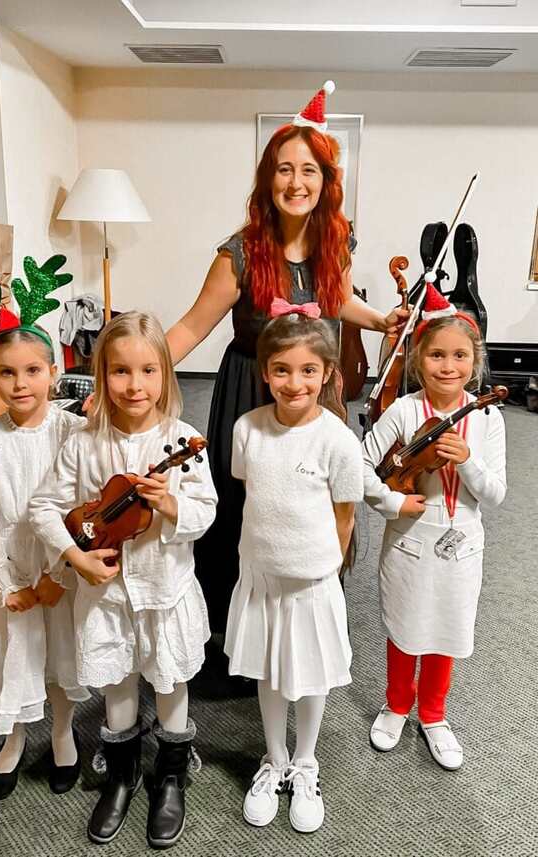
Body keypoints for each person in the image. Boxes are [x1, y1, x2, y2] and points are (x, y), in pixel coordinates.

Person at [166, 81, 407, 635]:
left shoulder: (335, 241)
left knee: (316, 498)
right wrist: (140, 373)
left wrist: (379, 320)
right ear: (267, 178)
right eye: (283, 169)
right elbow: (192, 325)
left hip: (316, 390)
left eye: (308, 171)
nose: (296, 182)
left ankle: (308, 624)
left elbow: (336, 299)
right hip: (252, 386)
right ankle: (239, 640)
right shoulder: (241, 253)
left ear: (326, 182)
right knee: (248, 506)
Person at [29, 312, 217, 849]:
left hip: (164, 590)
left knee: (170, 679)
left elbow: (206, 513)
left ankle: (173, 773)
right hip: (104, 594)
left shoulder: (181, 442)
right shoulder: (86, 442)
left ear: (166, 376)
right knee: (117, 679)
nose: (135, 386)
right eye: (120, 372)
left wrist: (172, 505)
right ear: (101, 374)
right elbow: (45, 507)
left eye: (148, 371)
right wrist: (74, 556)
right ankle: (123, 773)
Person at [224, 309, 363, 833]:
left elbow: (343, 518)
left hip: (311, 582)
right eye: (281, 369)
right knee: (270, 670)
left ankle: (306, 762)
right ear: (263, 372)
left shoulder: (338, 442)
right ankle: (275, 758)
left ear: (327, 373)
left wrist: (322, 570)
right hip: (261, 577)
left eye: (308, 370)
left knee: (309, 673)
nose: (294, 382)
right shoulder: (247, 430)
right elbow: (251, 493)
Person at [362, 285, 507, 770]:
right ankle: (397, 704)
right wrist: (392, 501)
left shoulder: (486, 418)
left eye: (460, 356)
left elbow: (495, 494)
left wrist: (467, 462)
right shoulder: (404, 411)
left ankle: (434, 713)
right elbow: (365, 466)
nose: (449, 367)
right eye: (438, 356)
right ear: (419, 359)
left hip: (463, 543)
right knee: (405, 624)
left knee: (447, 625)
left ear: (476, 360)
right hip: (408, 539)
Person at [0, 322, 88, 800]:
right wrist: (5, 583)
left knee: (60, 652)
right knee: (15, 652)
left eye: (33, 370)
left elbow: (84, 506)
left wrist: (59, 573)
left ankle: (61, 732)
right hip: (10, 568)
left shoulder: (74, 430)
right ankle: (12, 739)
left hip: (60, 561)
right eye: (7, 373)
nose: (20, 383)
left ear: (53, 372)